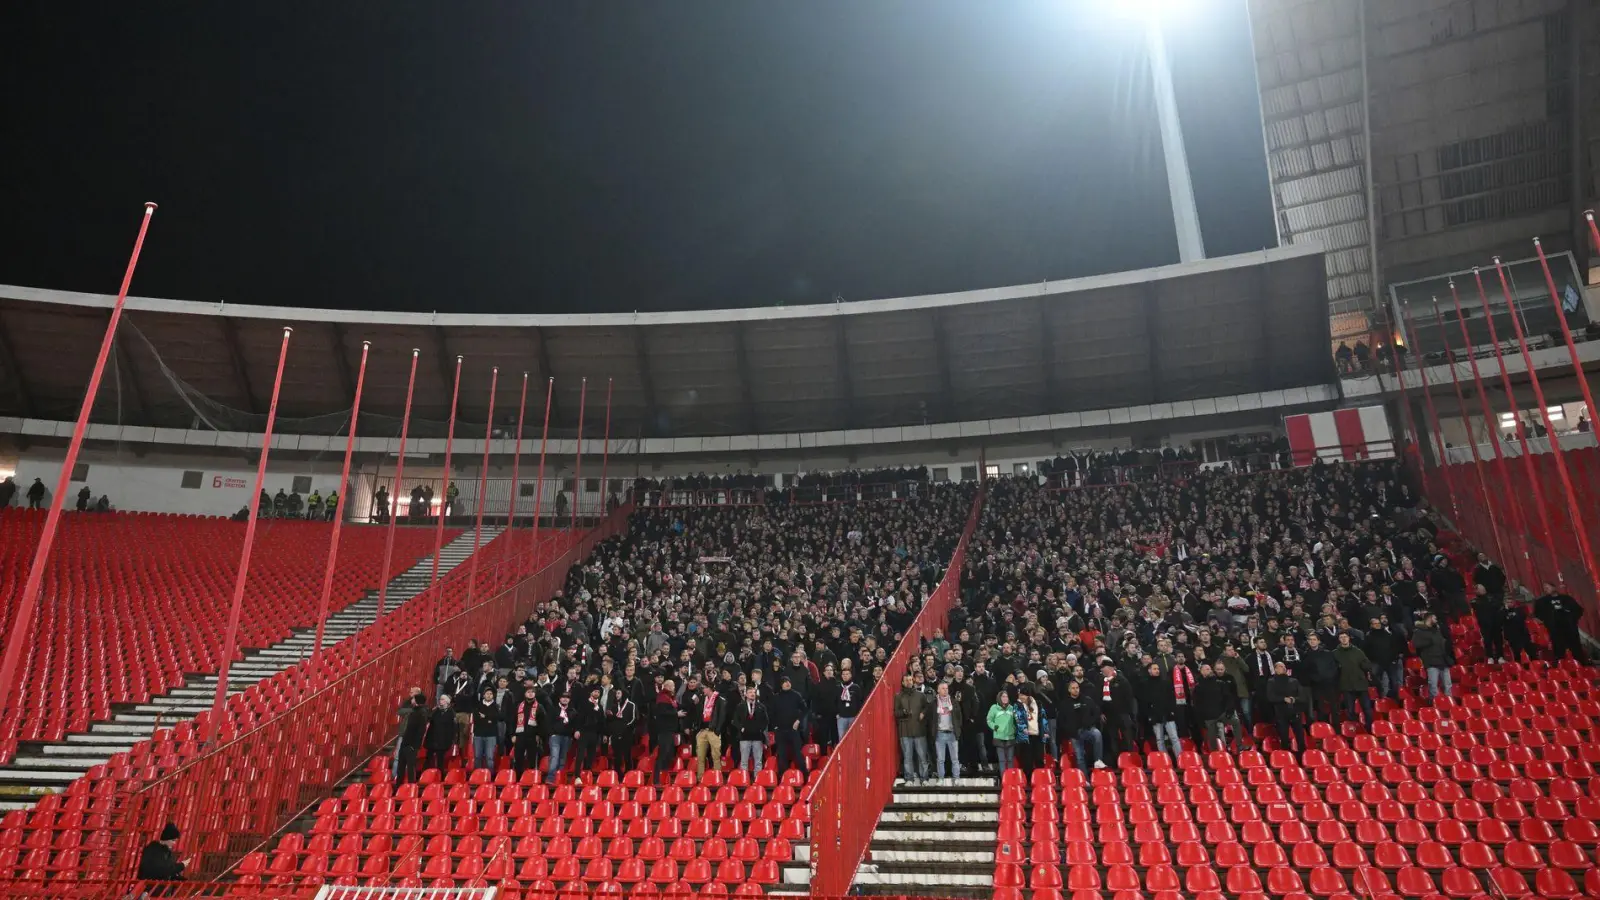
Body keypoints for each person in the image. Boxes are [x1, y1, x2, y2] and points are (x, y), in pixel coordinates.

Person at [1057, 679, 1104, 774]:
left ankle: (1098, 760)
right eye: (1073, 688)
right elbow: (1061, 721)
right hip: (1074, 733)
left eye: (1077, 687)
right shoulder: (1064, 704)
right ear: (1069, 690)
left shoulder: (1087, 700)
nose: (1076, 690)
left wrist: (1089, 723)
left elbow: (1096, 713)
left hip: (1087, 729)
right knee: (1079, 757)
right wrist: (1070, 731)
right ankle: (1085, 780)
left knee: (1097, 733)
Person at [1138, 661, 1180, 760]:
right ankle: (1165, 760)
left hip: (1168, 714)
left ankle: (1180, 758)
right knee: (1159, 739)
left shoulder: (1165, 682)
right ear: (1149, 671)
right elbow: (1145, 702)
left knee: (1174, 737)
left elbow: (1171, 698)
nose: (1157, 671)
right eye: (1154, 669)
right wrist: (1149, 715)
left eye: (1158, 669)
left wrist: (1172, 711)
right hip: (1155, 715)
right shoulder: (1145, 684)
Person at [893, 674, 930, 784]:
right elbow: (896, 712)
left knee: (922, 757)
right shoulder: (898, 696)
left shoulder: (921, 695)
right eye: (906, 680)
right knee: (907, 757)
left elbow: (927, 707)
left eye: (910, 680)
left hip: (919, 730)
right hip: (905, 731)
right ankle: (909, 779)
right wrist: (903, 713)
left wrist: (923, 713)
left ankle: (925, 779)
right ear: (903, 683)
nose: (909, 682)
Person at [1535, 584, 1586, 663]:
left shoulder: (1566, 598)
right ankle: (1562, 668)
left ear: (1554, 587)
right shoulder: (1542, 602)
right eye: (1544, 588)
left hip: (1570, 629)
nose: (1546, 589)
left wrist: (1572, 619)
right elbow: (1537, 615)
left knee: (1576, 649)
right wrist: (1547, 622)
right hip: (1555, 630)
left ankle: (1581, 665)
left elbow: (1578, 610)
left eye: (1548, 587)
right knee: (1559, 651)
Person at [1332, 632, 1374, 727]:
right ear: (1339, 639)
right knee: (1350, 710)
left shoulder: (1358, 651)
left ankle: (1369, 729)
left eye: (1345, 637)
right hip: (1346, 685)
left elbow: (1367, 664)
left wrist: (1366, 667)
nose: (1344, 639)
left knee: (1367, 709)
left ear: (1349, 638)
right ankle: (1353, 731)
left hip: (1360, 684)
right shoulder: (1335, 653)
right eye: (1341, 637)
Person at [769, 675, 808, 776]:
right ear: (781, 685)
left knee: (798, 754)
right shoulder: (776, 697)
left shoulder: (796, 695)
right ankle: (782, 778)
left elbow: (805, 709)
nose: (787, 683)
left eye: (788, 681)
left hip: (793, 730)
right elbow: (771, 713)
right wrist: (775, 727)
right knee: (782, 755)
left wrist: (798, 720)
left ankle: (805, 776)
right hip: (780, 731)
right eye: (785, 682)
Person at [1411, 613, 1455, 700]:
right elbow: (1415, 644)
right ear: (1429, 618)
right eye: (1434, 618)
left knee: (1448, 684)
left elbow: (1442, 642)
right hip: (1431, 662)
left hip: (1443, 660)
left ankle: (1449, 703)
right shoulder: (1419, 631)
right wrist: (1429, 642)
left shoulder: (1437, 630)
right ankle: (1434, 704)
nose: (1436, 619)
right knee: (1433, 685)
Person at [1266, 661, 1307, 753]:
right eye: (1280, 666)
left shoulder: (1294, 681)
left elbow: (1303, 696)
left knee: (1300, 736)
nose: (1283, 668)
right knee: (1284, 737)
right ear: (1275, 669)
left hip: (1295, 712)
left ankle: (1302, 756)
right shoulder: (1271, 682)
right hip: (1281, 713)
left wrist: (1294, 699)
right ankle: (1286, 757)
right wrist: (1283, 699)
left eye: (1284, 666)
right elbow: (1271, 697)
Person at [733, 685, 769, 776]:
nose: (752, 694)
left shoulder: (761, 706)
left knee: (758, 762)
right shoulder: (740, 706)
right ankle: (744, 780)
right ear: (746, 694)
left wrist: (760, 729)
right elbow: (735, 720)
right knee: (744, 762)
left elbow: (766, 720)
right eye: (750, 692)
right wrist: (741, 728)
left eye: (754, 692)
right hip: (744, 737)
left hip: (758, 737)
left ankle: (758, 780)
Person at [137, 822, 187, 887]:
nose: (174, 843)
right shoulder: (154, 850)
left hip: (158, 889)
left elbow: (168, 871)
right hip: (150, 889)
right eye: (173, 840)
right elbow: (162, 870)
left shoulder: (167, 852)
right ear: (166, 838)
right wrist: (181, 865)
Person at [931, 680, 962, 781]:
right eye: (943, 688)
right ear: (938, 690)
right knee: (940, 759)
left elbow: (959, 717)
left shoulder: (953, 701)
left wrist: (958, 730)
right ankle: (941, 779)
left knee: (955, 759)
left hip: (952, 733)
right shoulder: (934, 703)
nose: (945, 690)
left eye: (946, 688)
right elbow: (931, 719)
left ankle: (956, 779)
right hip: (940, 734)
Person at [986, 689, 1018, 778]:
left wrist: (1014, 729)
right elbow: (989, 720)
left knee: (1010, 760)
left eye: (1006, 696)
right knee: (1002, 760)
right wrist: (995, 727)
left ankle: (1011, 779)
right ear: (999, 698)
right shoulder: (994, 708)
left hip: (1010, 737)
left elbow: (1017, 721)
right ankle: (1004, 779)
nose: (1005, 698)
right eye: (1003, 696)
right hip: (999, 737)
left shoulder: (1012, 708)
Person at [422, 694, 457, 773]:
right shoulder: (436, 711)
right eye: (440, 699)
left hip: (442, 740)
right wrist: (432, 710)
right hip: (432, 739)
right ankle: (424, 775)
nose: (440, 701)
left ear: (447, 702)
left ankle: (439, 776)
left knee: (440, 760)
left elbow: (453, 728)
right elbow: (428, 718)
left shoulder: (451, 713)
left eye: (442, 699)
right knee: (428, 759)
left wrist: (451, 740)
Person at [546, 693, 578, 780]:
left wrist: (572, 734)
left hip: (567, 737)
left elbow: (575, 725)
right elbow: (548, 722)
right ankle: (550, 778)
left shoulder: (573, 711)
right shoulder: (553, 709)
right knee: (554, 756)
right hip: (555, 736)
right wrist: (551, 733)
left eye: (567, 697)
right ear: (560, 699)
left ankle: (559, 778)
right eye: (563, 697)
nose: (565, 699)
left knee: (562, 758)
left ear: (569, 700)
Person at [511, 684, 542, 776]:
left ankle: (531, 778)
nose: (531, 694)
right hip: (520, 736)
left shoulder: (539, 707)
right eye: (528, 692)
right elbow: (513, 721)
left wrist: (539, 735)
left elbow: (542, 723)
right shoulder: (518, 706)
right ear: (525, 694)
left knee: (532, 759)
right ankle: (518, 778)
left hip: (533, 737)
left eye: (532, 692)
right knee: (518, 759)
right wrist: (512, 735)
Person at [1013, 690, 1044, 777]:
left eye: (1023, 695)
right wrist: (1023, 728)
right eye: (1019, 695)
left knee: (1039, 759)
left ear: (1028, 695)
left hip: (1037, 736)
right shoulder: (1017, 705)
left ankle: (1041, 778)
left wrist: (1045, 731)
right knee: (1027, 761)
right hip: (1025, 737)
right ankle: (1029, 780)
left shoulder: (1038, 703)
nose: (1021, 697)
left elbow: (1043, 717)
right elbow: (1017, 718)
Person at [1474, 583, 1506, 663]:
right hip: (1485, 625)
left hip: (1495, 623)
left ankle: (1500, 657)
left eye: (1483, 588)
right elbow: (1479, 608)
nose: (1483, 590)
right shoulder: (1476, 601)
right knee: (1488, 641)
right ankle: (1490, 657)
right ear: (1477, 591)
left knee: (1498, 640)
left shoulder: (1492, 598)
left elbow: (1498, 606)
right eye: (1481, 589)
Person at [471, 688, 499, 770]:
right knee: (477, 757)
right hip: (478, 735)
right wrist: (489, 719)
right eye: (487, 693)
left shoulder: (496, 706)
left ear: (493, 696)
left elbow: (497, 718)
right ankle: (477, 777)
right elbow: (476, 720)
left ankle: (490, 777)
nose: (489, 695)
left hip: (491, 735)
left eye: (490, 693)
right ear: (483, 695)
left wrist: (485, 717)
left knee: (489, 758)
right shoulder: (478, 706)